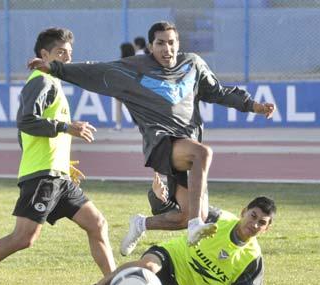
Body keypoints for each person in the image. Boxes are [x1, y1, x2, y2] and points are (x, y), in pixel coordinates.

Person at [28, 21, 276, 256]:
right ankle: (196, 223)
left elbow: (218, 92)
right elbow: (95, 71)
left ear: (178, 44)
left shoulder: (193, 64)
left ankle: (141, 224)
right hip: (161, 144)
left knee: (183, 216)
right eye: (160, 43)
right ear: (150, 47)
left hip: (187, 145)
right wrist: (54, 67)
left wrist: (253, 106)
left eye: (171, 42)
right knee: (203, 153)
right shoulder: (134, 68)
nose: (166, 49)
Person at [0, 27, 116, 285]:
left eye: (69, 54)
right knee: (24, 238)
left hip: (58, 176)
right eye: (60, 53)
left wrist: (63, 164)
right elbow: (25, 121)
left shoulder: (54, 83)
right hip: (43, 177)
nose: (66, 58)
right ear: (44, 55)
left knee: (97, 224)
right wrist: (66, 128)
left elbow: (30, 134)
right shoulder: (41, 81)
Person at [60, 196, 306, 285]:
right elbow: (184, 210)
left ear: (267, 229)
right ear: (243, 212)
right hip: (172, 258)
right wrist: (160, 196)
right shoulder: (218, 219)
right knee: (147, 267)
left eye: (261, 223)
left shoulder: (251, 260)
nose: (254, 224)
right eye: (252, 216)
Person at [114, 42, 136, 131]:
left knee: (118, 106)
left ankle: (118, 125)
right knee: (135, 106)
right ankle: (137, 125)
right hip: (132, 86)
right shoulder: (135, 61)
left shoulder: (120, 61)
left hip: (121, 86)